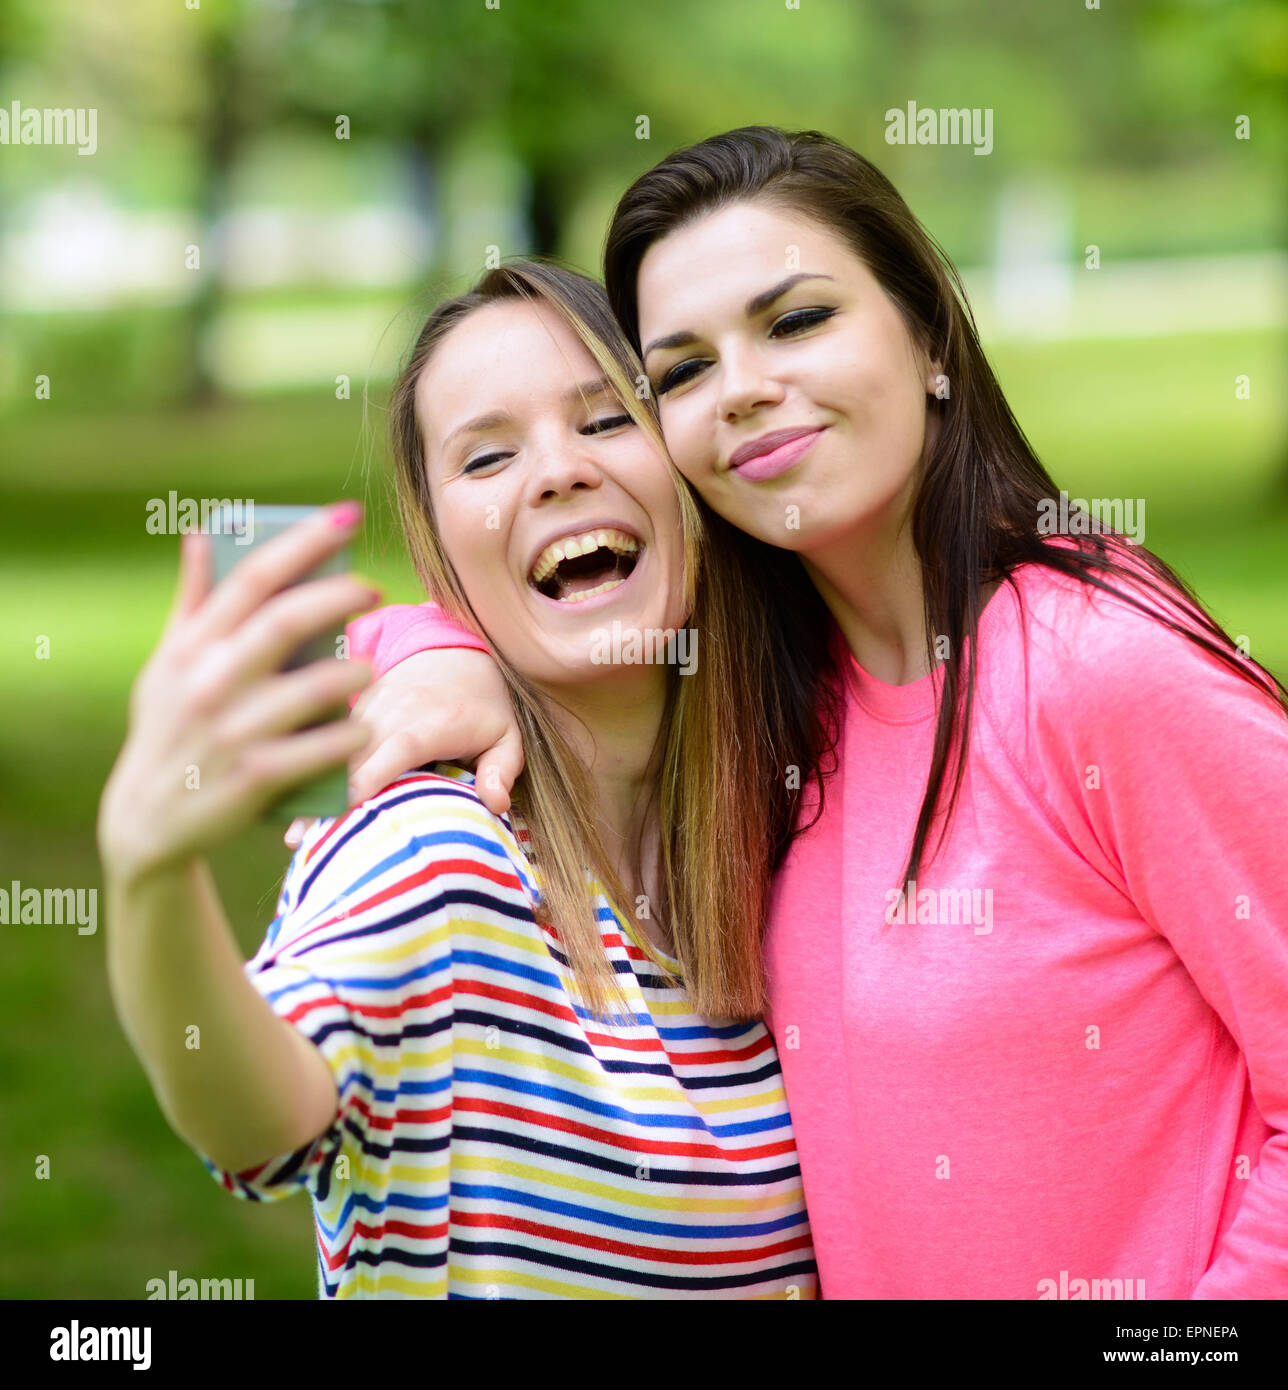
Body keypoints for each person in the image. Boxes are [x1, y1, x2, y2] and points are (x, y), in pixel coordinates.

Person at [336, 127, 1288, 1298]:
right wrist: (438, 653)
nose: (741, 390)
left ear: (927, 333)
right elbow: (486, 600)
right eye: (681, 370)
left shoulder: (1100, 672)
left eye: (794, 322)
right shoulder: (766, 702)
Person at [97, 260, 822, 1300]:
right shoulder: (439, 848)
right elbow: (262, 1118)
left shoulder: (791, 831)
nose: (558, 471)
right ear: (442, 559)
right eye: (487, 456)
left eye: (607, 422)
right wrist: (148, 874)